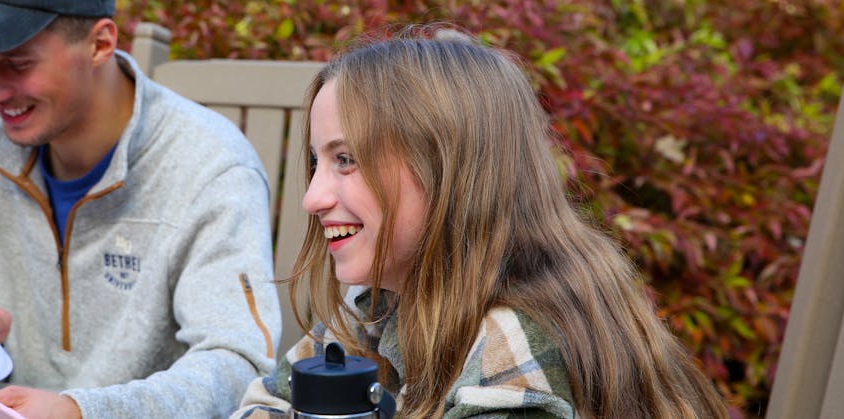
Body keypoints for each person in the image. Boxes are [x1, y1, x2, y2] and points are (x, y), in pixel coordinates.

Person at [234, 28, 729, 418]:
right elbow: (268, 402)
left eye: (346, 159)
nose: (312, 197)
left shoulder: (515, 348)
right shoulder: (377, 308)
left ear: (446, 169)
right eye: (317, 162)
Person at [0, 1, 281, 417]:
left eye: (17, 63)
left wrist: (81, 411)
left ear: (100, 44)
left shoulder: (210, 167)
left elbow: (237, 365)